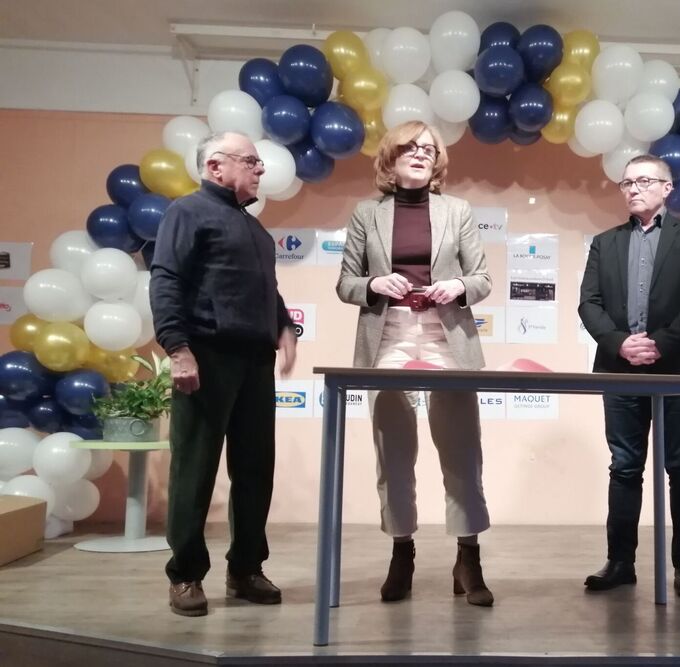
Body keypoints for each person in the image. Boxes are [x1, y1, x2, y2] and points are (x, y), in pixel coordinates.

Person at [336, 120, 494, 606]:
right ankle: (401, 552)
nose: (422, 153)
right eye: (411, 146)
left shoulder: (457, 210)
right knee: (394, 452)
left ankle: (468, 557)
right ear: (391, 156)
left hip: (448, 337)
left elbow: (482, 278)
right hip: (389, 336)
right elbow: (346, 283)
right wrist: (374, 284)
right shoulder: (367, 213)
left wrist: (459, 285)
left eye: (430, 148)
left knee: (462, 450)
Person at [150, 131, 298, 617]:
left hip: (255, 363)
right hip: (206, 356)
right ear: (216, 166)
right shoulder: (187, 212)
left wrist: (284, 327)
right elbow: (166, 280)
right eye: (251, 161)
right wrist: (178, 349)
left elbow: (267, 289)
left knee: (255, 470)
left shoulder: (256, 230)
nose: (261, 169)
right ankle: (185, 575)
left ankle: (246, 570)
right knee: (194, 471)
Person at [578, 154, 680, 599]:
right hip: (620, 370)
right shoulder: (605, 242)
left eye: (644, 181)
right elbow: (589, 303)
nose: (634, 189)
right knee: (624, 466)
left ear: (667, 187)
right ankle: (620, 562)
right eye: (627, 183)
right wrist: (620, 343)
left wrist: (660, 342)